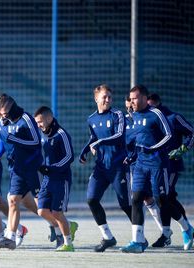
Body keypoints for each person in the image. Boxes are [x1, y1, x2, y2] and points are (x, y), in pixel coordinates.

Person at [120, 85, 173, 253]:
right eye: (130, 98)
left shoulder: (156, 114)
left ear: (143, 98)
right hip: (140, 165)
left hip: (157, 163)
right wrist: (131, 157)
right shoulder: (133, 116)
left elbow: (169, 135)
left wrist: (154, 148)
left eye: (134, 98)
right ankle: (138, 241)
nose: (131, 101)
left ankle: (179, 229)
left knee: (161, 199)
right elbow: (137, 141)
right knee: (136, 198)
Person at [79, 84, 132, 252]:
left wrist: (100, 142)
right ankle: (108, 237)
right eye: (104, 97)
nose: (107, 99)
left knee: (125, 204)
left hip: (118, 166)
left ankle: (139, 236)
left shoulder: (117, 114)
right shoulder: (91, 119)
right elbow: (93, 137)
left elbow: (119, 135)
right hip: (101, 167)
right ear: (96, 99)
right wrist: (84, 151)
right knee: (91, 199)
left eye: (110, 96)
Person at [0, 94, 43, 249]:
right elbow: (3, 138)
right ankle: (10, 238)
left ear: (4, 109)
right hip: (16, 168)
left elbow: (35, 142)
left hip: (32, 167)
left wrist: (15, 140)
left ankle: (62, 226)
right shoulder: (2, 121)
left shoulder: (26, 119)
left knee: (42, 208)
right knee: (13, 200)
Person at [146, 93, 194, 250]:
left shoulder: (173, 117)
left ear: (158, 103)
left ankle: (183, 230)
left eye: (152, 106)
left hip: (171, 165)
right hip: (155, 165)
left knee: (166, 197)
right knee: (165, 199)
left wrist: (183, 148)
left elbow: (192, 132)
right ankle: (169, 233)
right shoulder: (147, 118)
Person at [34, 106, 75, 252]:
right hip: (47, 178)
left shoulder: (61, 134)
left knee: (57, 212)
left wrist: (52, 168)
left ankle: (68, 243)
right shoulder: (41, 134)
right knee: (42, 211)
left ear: (49, 119)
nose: (38, 125)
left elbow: (70, 157)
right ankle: (67, 227)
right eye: (36, 122)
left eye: (40, 122)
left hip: (61, 179)